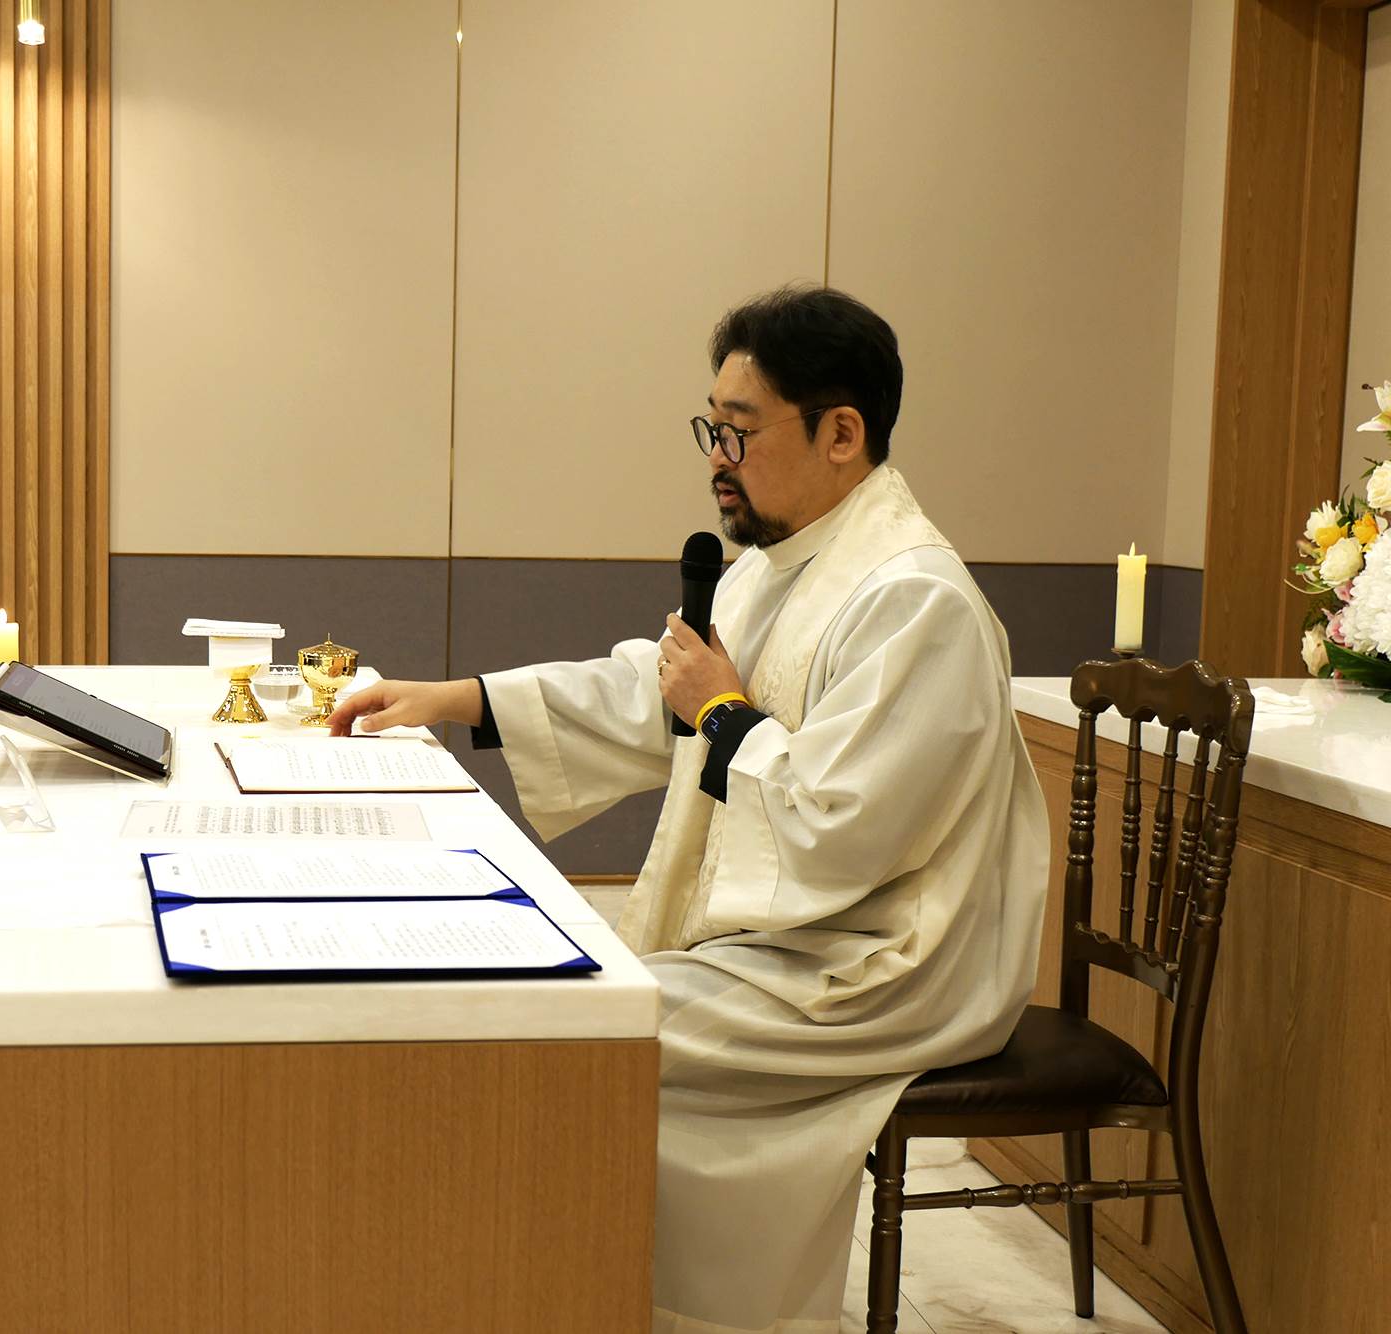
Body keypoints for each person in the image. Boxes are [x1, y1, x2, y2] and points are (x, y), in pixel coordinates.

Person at [327, 285, 1048, 1334]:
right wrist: (454, 699)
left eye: (740, 431)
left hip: (884, 960)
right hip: (796, 938)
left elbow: (841, 827)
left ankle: (652, 1305)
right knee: (566, 1016)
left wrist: (721, 709)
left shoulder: (913, 600)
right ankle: (574, 1291)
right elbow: (651, 691)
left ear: (841, 433)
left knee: (593, 1035)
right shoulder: (777, 566)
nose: (717, 457)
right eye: (710, 428)